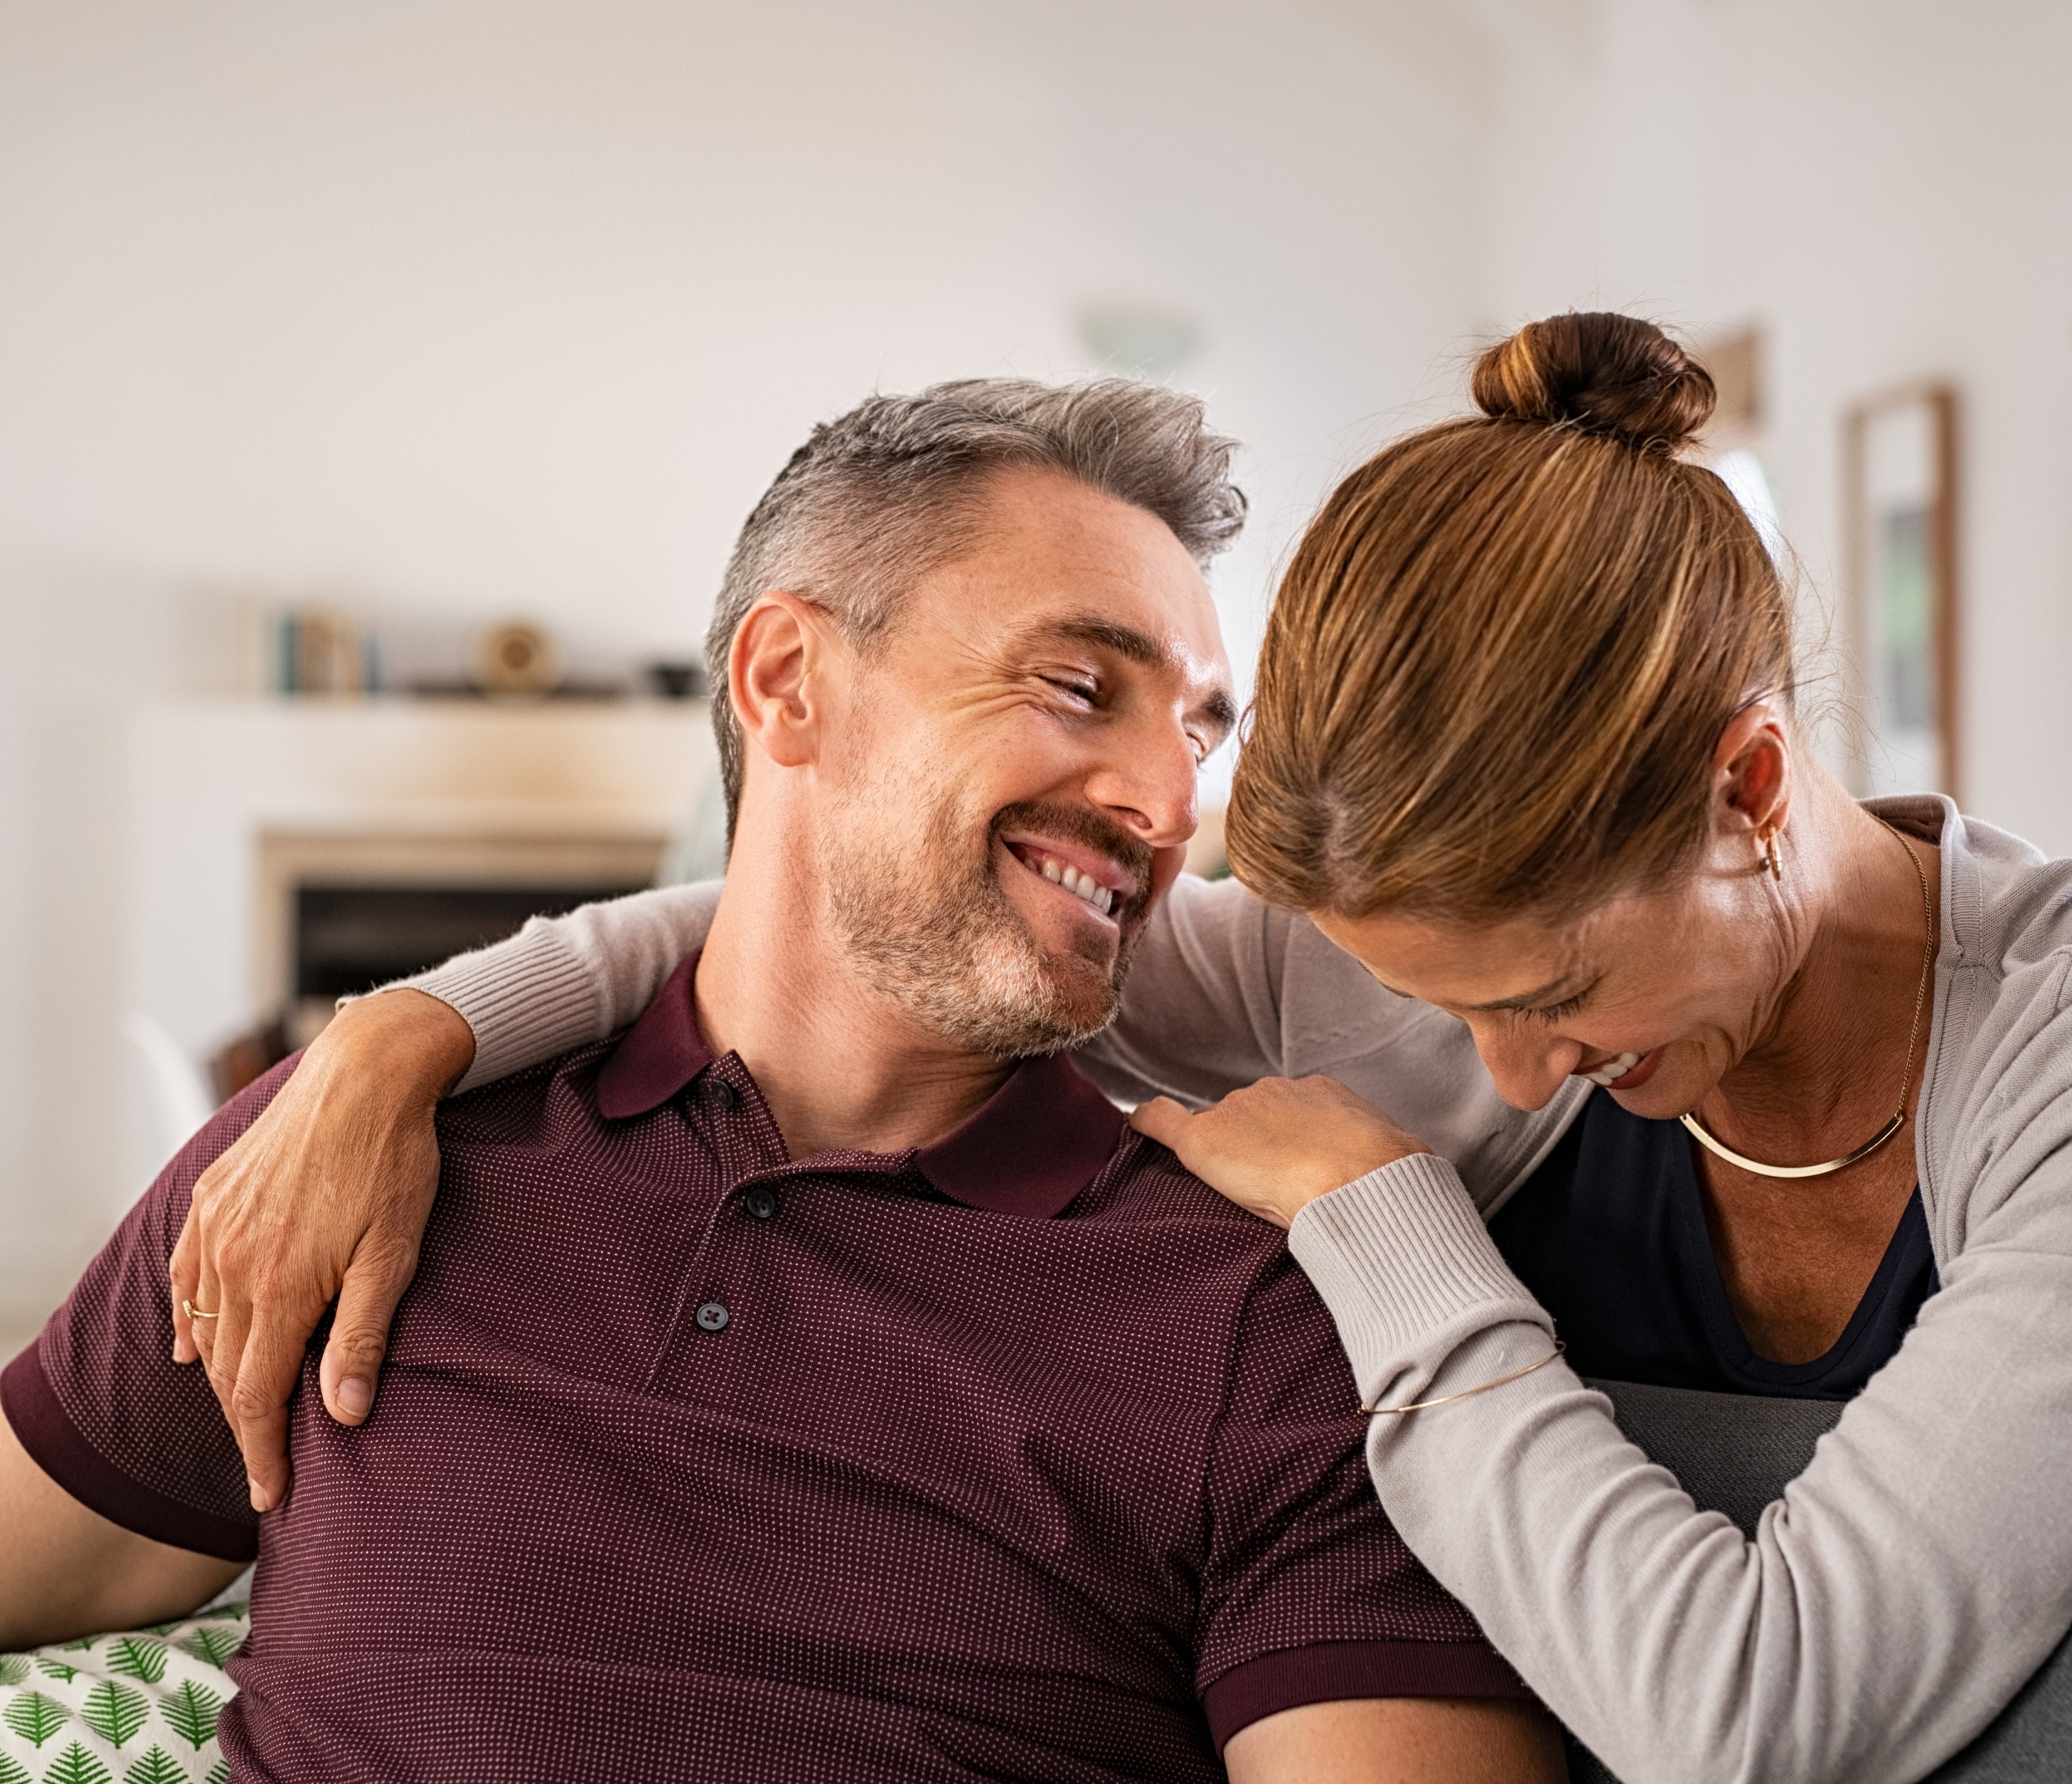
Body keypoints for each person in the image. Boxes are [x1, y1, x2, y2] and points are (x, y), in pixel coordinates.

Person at [170, 314, 2072, 1783]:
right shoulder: (1359, 993)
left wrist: (1382, 1221)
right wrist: (402, 1039)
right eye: (1444, 1000)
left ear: (1747, 779)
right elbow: (846, 925)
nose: (1496, 1070)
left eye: (1553, 997)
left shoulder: (2044, 1057)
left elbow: (1755, 1719)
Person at [1, 378, 1561, 1783]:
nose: (1167, 801)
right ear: (787, 680)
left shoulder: (1258, 1319)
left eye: (1196, 733)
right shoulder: (351, 1158)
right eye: (1081, 689)